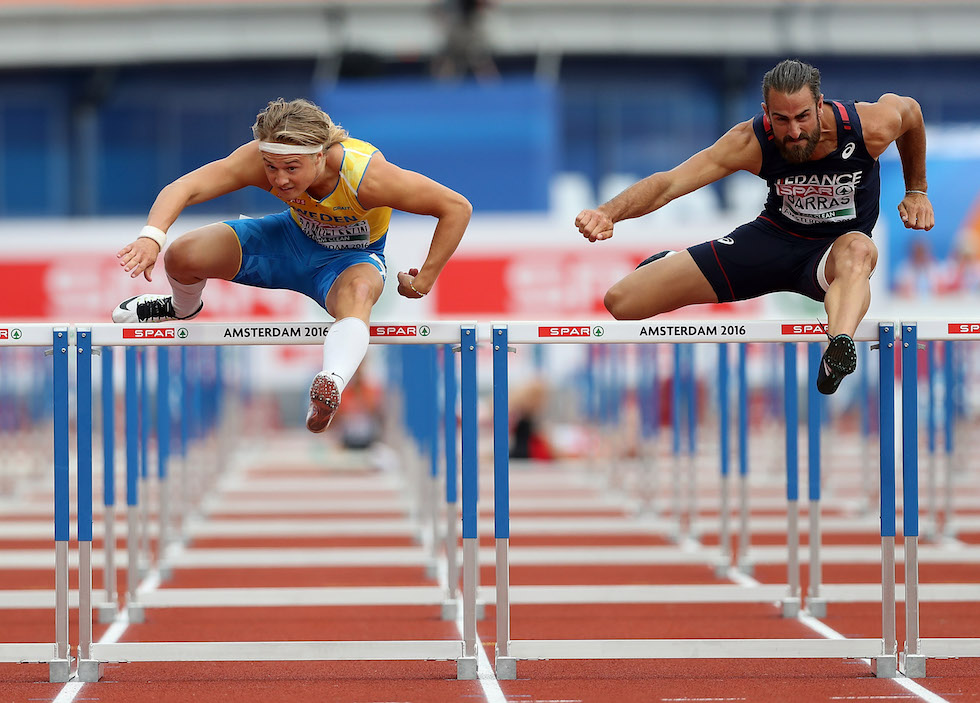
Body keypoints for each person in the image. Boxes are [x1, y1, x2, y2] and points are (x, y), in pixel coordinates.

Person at [575, 58, 935, 394]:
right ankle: (669, 260)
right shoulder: (752, 141)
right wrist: (608, 213)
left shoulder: (867, 126)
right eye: (782, 120)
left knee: (859, 249)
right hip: (772, 243)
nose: (793, 131)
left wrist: (916, 189)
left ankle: (837, 349)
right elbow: (670, 183)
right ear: (766, 113)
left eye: (803, 117)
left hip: (832, 255)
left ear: (820, 104)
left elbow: (912, 113)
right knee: (622, 302)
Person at [113, 97, 472, 432]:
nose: (280, 179)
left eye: (291, 168)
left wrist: (425, 279)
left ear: (321, 156)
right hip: (286, 242)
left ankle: (330, 383)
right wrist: (152, 236)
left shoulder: (367, 177)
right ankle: (181, 308)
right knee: (182, 254)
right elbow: (186, 186)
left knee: (359, 292)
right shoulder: (259, 159)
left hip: (349, 261)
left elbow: (456, 207)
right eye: (271, 168)